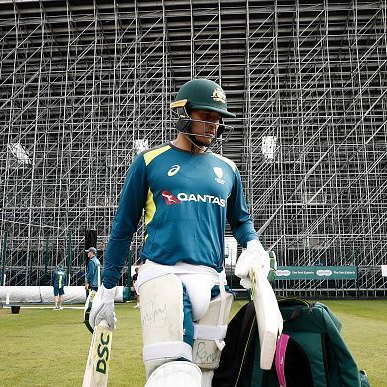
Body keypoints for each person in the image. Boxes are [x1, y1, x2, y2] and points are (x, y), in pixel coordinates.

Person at [87, 79, 270, 386]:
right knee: (173, 375)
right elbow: (123, 229)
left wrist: (252, 244)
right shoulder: (150, 161)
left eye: (218, 118)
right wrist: (106, 291)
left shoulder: (228, 169)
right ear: (184, 113)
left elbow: (240, 220)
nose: (214, 125)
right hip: (162, 277)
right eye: (206, 116)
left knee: (206, 376)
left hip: (213, 283)